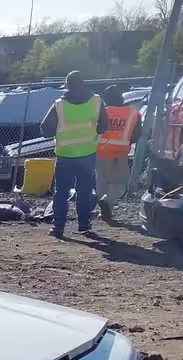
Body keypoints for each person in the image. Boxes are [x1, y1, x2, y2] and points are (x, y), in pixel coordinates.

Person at [40, 71, 110, 238]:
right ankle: (84, 224)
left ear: (67, 85)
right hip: (87, 153)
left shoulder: (59, 104)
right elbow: (104, 125)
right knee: (84, 190)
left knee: (61, 191)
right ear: (83, 83)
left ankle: (58, 226)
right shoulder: (97, 101)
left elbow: (45, 129)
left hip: (65, 154)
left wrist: (58, 131)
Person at [95, 84, 141, 222]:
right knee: (120, 183)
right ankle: (107, 202)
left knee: (102, 182)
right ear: (121, 97)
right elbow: (138, 134)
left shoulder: (101, 112)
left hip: (101, 151)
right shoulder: (133, 113)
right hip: (120, 151)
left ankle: (104, 210)